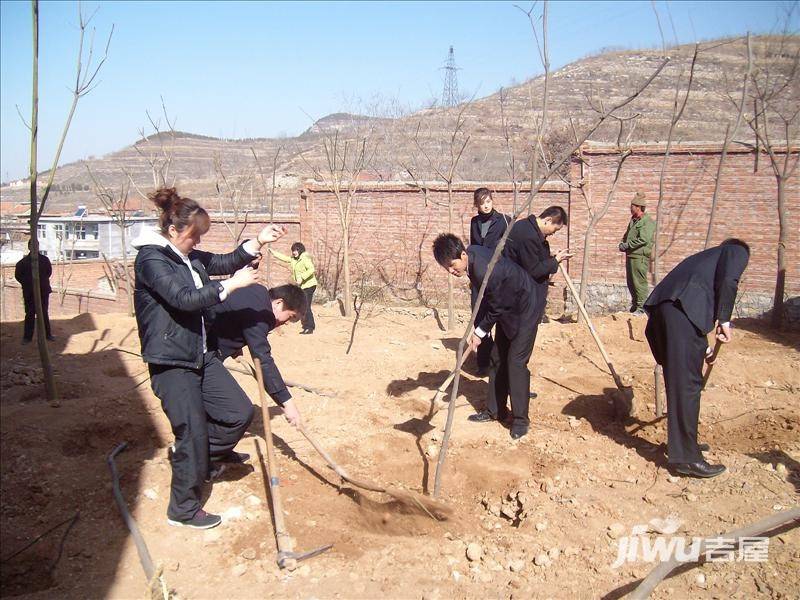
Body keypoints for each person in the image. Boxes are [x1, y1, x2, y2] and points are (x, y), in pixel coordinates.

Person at [133, 187, 287, 530]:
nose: (197, 243)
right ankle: (183, 509)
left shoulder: (187, 258)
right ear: (174, 231)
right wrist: (231, 286)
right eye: (194, 236)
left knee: (237, 412)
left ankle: (203, 458)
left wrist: (258, 241)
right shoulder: (152, 260)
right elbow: (184, 298)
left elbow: (225, 261)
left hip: (201, 355)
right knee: (191, 433)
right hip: (173, 361)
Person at [644, 239, 750, 479]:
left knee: (683, 382)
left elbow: (689, 312)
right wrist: (725, 320)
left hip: (666, 314)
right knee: (688, 386)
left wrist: (704, 351)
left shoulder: (704, 260)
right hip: (680, 313)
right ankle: (687, 459)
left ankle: (684, 446)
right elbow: (728, 280)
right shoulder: (735, 250)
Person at [433, 233, 538, 440]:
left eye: (453, 265)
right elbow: (489, 300)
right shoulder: (471, 259)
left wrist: (480, 331)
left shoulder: (482, 268)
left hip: (524, 308)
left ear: (463, 254)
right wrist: (479, 328)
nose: (452, 271)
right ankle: (495, 410)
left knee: (515, 362)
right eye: (447, 268)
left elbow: (497, 305)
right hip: (507, 307)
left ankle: (520, 421)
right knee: (497, 359)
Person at [210, 283, 307, 428]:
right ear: (279, 303)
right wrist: (287, 403)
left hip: (197, 343)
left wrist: (234, 342)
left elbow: (232, 316)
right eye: (291, 317)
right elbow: (263, 360)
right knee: (237, 412)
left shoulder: (257, 293)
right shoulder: (261, 313)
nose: (286, 323)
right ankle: (200, 448)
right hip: (191, 352)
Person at [502, 206, 572, 406]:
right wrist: (555, 261)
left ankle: (518, 386)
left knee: (515, 353)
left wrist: (552, 257)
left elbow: (533, 260)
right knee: (518, 354)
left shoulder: (529, 229)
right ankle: (516, 390)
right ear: (548, 220)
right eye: (555, 229)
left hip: (519, 298)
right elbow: (533, 270)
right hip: (521, 301)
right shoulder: (528, 235)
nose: (554, 233)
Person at [469, 187, 511, 376]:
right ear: (477, 205)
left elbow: (509, 249)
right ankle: (483, 362)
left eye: (489, 201)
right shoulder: (474, 222)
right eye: (482, 203)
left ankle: (500, 362)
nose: (486, 206)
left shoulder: (504, 220)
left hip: (497, 276)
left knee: (498, 317)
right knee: (479, 318)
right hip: (478, 277)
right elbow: (473, 247)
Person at [618, 192, 656, 314]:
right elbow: (627, 235)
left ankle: (641, 308)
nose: (630, 209)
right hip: (631, 255)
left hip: (640, 257)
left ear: (638, 207)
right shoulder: (633, 221)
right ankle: (635, 306)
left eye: (632, 206)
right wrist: (622, 243)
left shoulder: (647, 221)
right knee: (631, 283)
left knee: (639, 282)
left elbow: (644, 239)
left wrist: (628, 245)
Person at [269, 242, 318, 334]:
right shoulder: (294, 259)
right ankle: (307, 325)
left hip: (309, 285)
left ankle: (309, 327)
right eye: (293, 251)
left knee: (306, 305)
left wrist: (302, 277)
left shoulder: (305, 258)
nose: (294, 252)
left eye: (296, 250)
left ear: (300, 250)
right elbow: (284, 258)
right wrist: (274, 253)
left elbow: (312, 269)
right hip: (303, 285)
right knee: (304, 305)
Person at [15, 240, 54, 344]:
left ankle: (48, 335)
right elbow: (18, 275)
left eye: (36, 245)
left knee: (44, 312)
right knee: (30, 314)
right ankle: (27, 338)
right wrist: (27, 284)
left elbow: (49, 272)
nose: (34, 248)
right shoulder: (23, 262)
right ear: (28, 247)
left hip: (43, 291)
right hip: (29, 292)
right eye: (32, 246)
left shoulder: (44, 260)